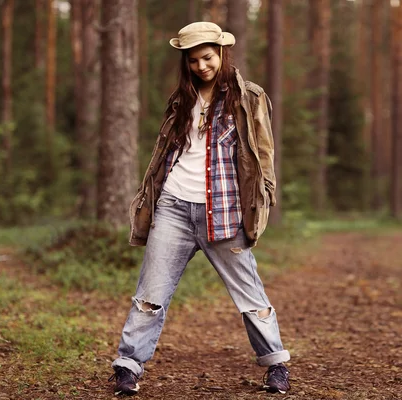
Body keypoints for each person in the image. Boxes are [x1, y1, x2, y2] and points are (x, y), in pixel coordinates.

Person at [108, 21, 291, 396]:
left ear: (222, 53)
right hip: (174, 207)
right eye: (193, 61)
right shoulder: (181, 99)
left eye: (207, 57)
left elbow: (264, 154)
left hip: (224, 211)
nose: (201, 66)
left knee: (250, 295)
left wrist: (264, 197)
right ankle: (128, 366)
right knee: (149, 294)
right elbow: (168, 152)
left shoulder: (249, 97)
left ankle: (276, 365)